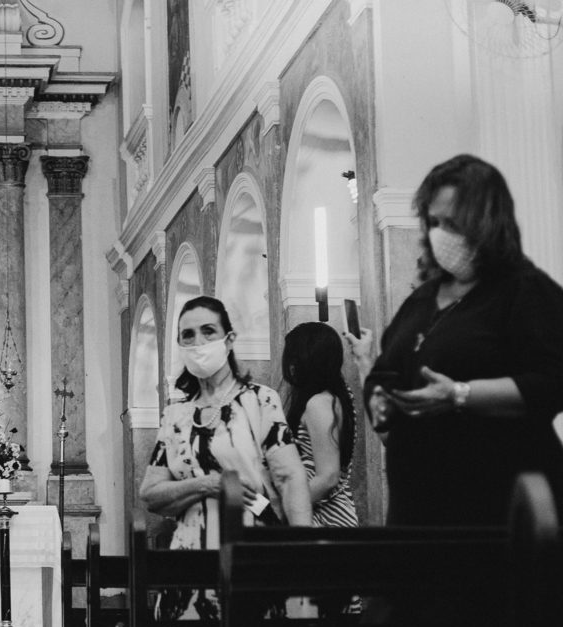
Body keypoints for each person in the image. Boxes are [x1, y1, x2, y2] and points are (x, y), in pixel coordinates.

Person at [365, 154, 563, 525]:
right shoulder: (421, 300)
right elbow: (386, 370)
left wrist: (459, 394)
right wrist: (381, 400)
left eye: (452, 223)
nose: (440, 234)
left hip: (495, 511)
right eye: (433, 222)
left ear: (486, 222)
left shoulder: (525, 291)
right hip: (416, 513)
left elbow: (552, 382)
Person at [140, 295, 313, 548]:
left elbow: (290, 478)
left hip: (251, 546)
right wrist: (206, 484)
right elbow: (150, 494)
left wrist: (303, 548)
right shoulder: (175, 416)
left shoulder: (259, 400)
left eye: (208, 331)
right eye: (188, 335)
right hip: (190, 550)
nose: (198, 342)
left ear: (229, 340)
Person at [281, 322, 359, 527]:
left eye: (294, 358)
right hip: (331, 515)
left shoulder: (319, 404)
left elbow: (328, 477)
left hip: (325, 518)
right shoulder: (335, 398)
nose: (291, 366)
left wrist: (285, 506)